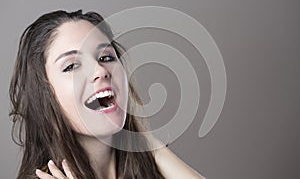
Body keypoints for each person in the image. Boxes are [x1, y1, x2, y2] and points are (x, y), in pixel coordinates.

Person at [9, 10, 205, 179]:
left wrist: (145, 141)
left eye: (106, 57)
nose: (100, 70)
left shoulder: (150, 168)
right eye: (71, 66)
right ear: (43, 95)